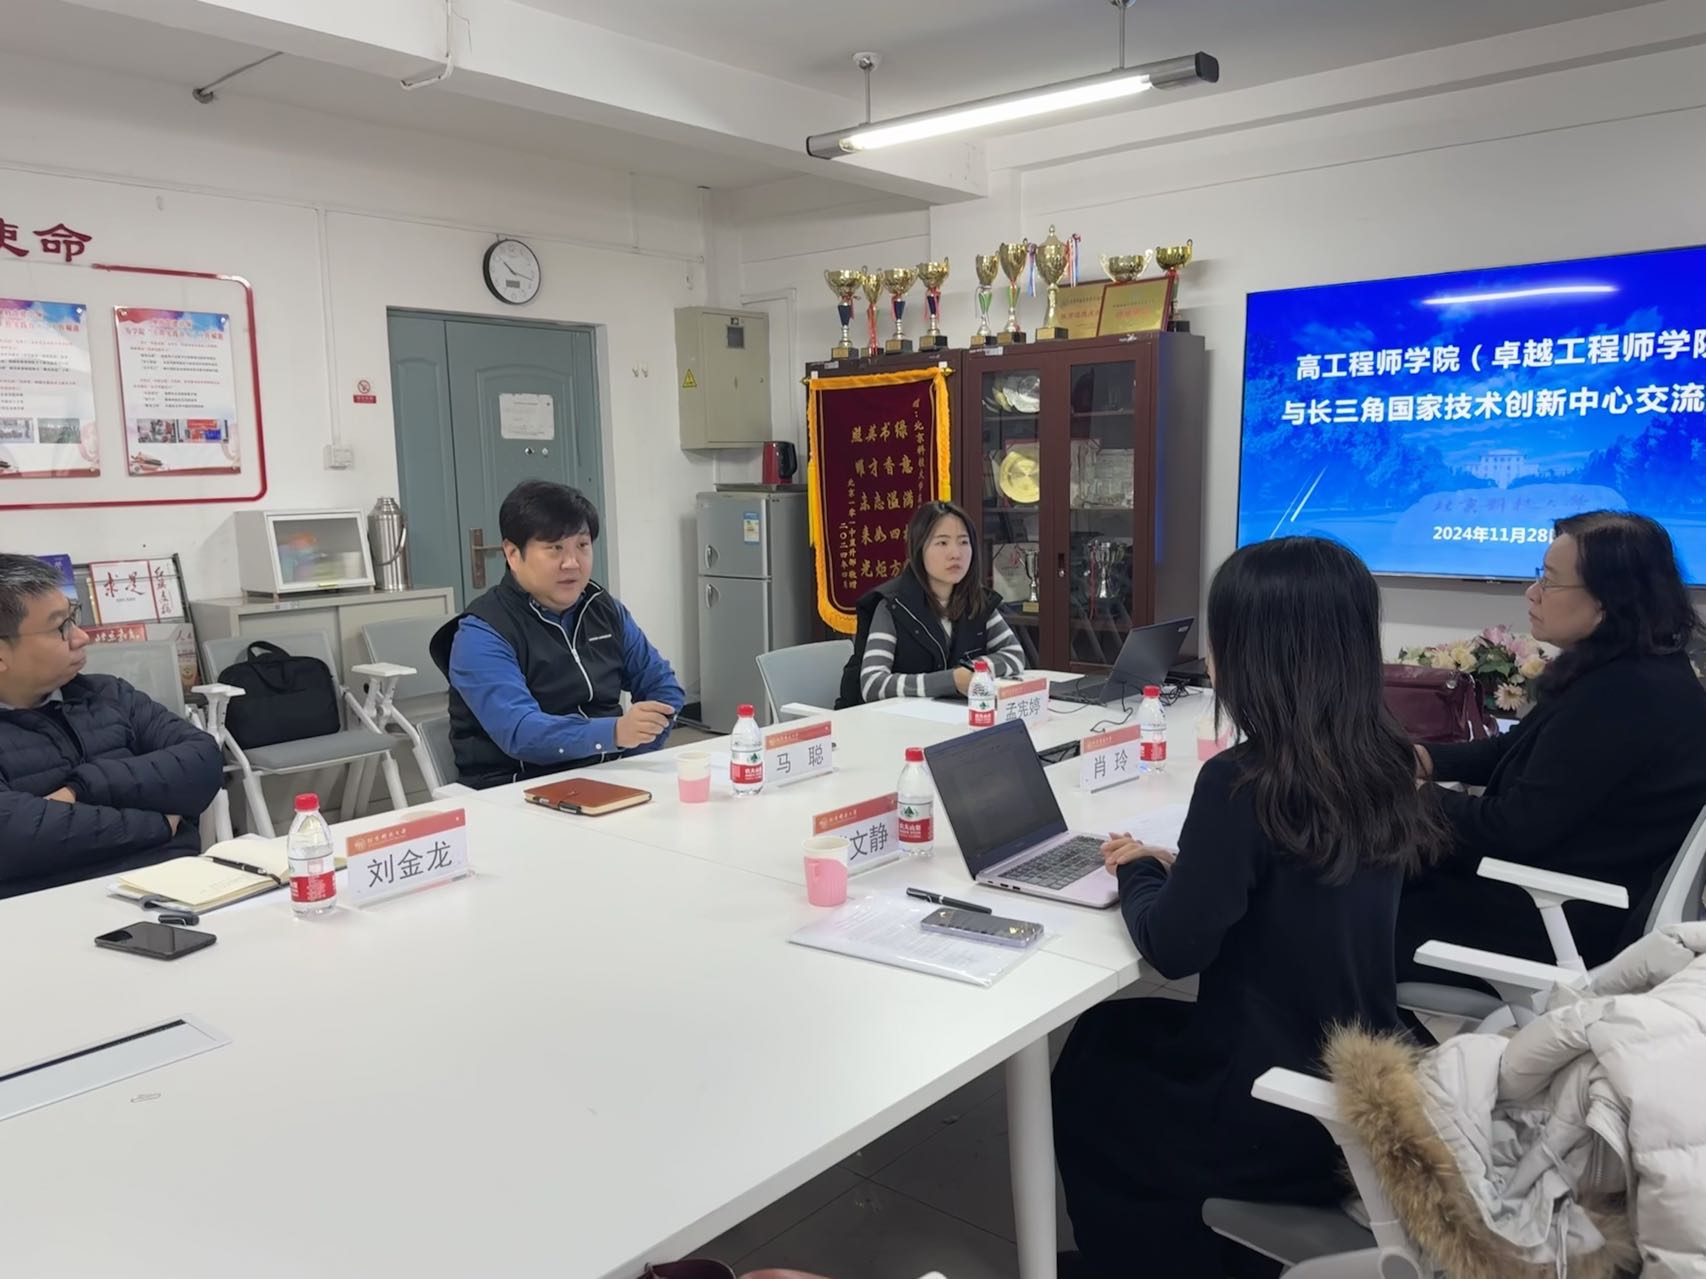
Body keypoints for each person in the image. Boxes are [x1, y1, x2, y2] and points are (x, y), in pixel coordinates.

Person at [1052, 537, 1449, 1278]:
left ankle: (1131, 1258)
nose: (1210, 658)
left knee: (1094, 1061)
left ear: (1260, 656)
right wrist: (1190, 869)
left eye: (1223, 637)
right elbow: (1284, 888)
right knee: (1116, 1032)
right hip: (1366, 1065)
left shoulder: (1244, 781)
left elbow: (1174, 948)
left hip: (1274, 1101)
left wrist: (1139, 871)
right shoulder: (1386, 759)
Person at [1398, 511, 1706, 979]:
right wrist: (1419, 758)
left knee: (1352, 902)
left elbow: (1513, 828)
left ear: (1608, 600)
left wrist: (1414, 796)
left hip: (1554, 918)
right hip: (1550, 892)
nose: (1532, 592)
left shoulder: (1625, 697)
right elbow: (1511, 752)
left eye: (1550, 581)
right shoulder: (1625, 671)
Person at [429, 481, 684, 791]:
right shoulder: (483, 632)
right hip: (517, 788)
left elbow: (663, 687)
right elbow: (521, 731)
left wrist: (634, 756)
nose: (572, 562)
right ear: (513, 553)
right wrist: (615, 734)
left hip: (608, 776)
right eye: (555, 548)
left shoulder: (603, 609)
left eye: (582, 545)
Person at [0, 554, 224, 898]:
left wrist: (80, 791)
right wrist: (159, 823)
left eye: (73, 617)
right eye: (60, 627)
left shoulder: (108, 694)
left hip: (174, 884)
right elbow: (14, 838)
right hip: (50, 906)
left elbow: (202, 760)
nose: (81, 637)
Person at [834, 500, 1025, 708]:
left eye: (963, 542)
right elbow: (873, 684)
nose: (956, 554)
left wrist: (973, 671)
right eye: (942, 543)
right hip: (886, 721)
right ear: (919, 549)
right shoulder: (892, 605)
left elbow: (1015, 655)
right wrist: (950, 680)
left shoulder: (977, 600)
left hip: (949, 718)